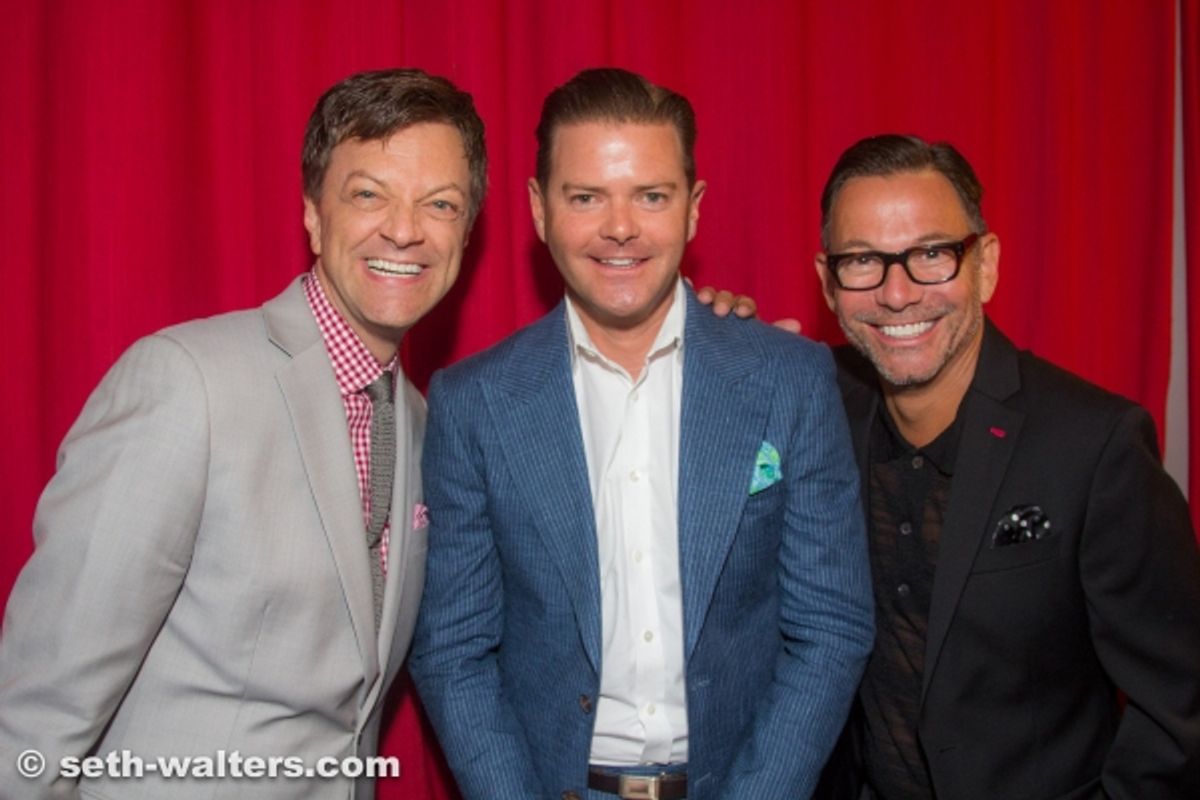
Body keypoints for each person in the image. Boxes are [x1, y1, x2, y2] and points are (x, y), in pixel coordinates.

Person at [0, 68, 486, 799]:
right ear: (314, 216)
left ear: (466, 232)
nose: (405, 228)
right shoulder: (186, 382)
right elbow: (41, 705)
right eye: (368, 194)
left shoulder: (421, 423)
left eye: (440, 204)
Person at [408, 67, 874, 800]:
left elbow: (832, 625)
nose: (619, 227)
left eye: (650, 196)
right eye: (586, 196)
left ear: (693, 208)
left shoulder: (791, 378)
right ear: (538, 209)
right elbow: (453, 649)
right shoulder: (474, 404)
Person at [811, 134, 1200, 798]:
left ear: (985, 264)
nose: (897, 294)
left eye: (932, 254)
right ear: (828, 281)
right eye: (862, 261)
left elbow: (1181, 707)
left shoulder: (1094, 444)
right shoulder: (817, 413)